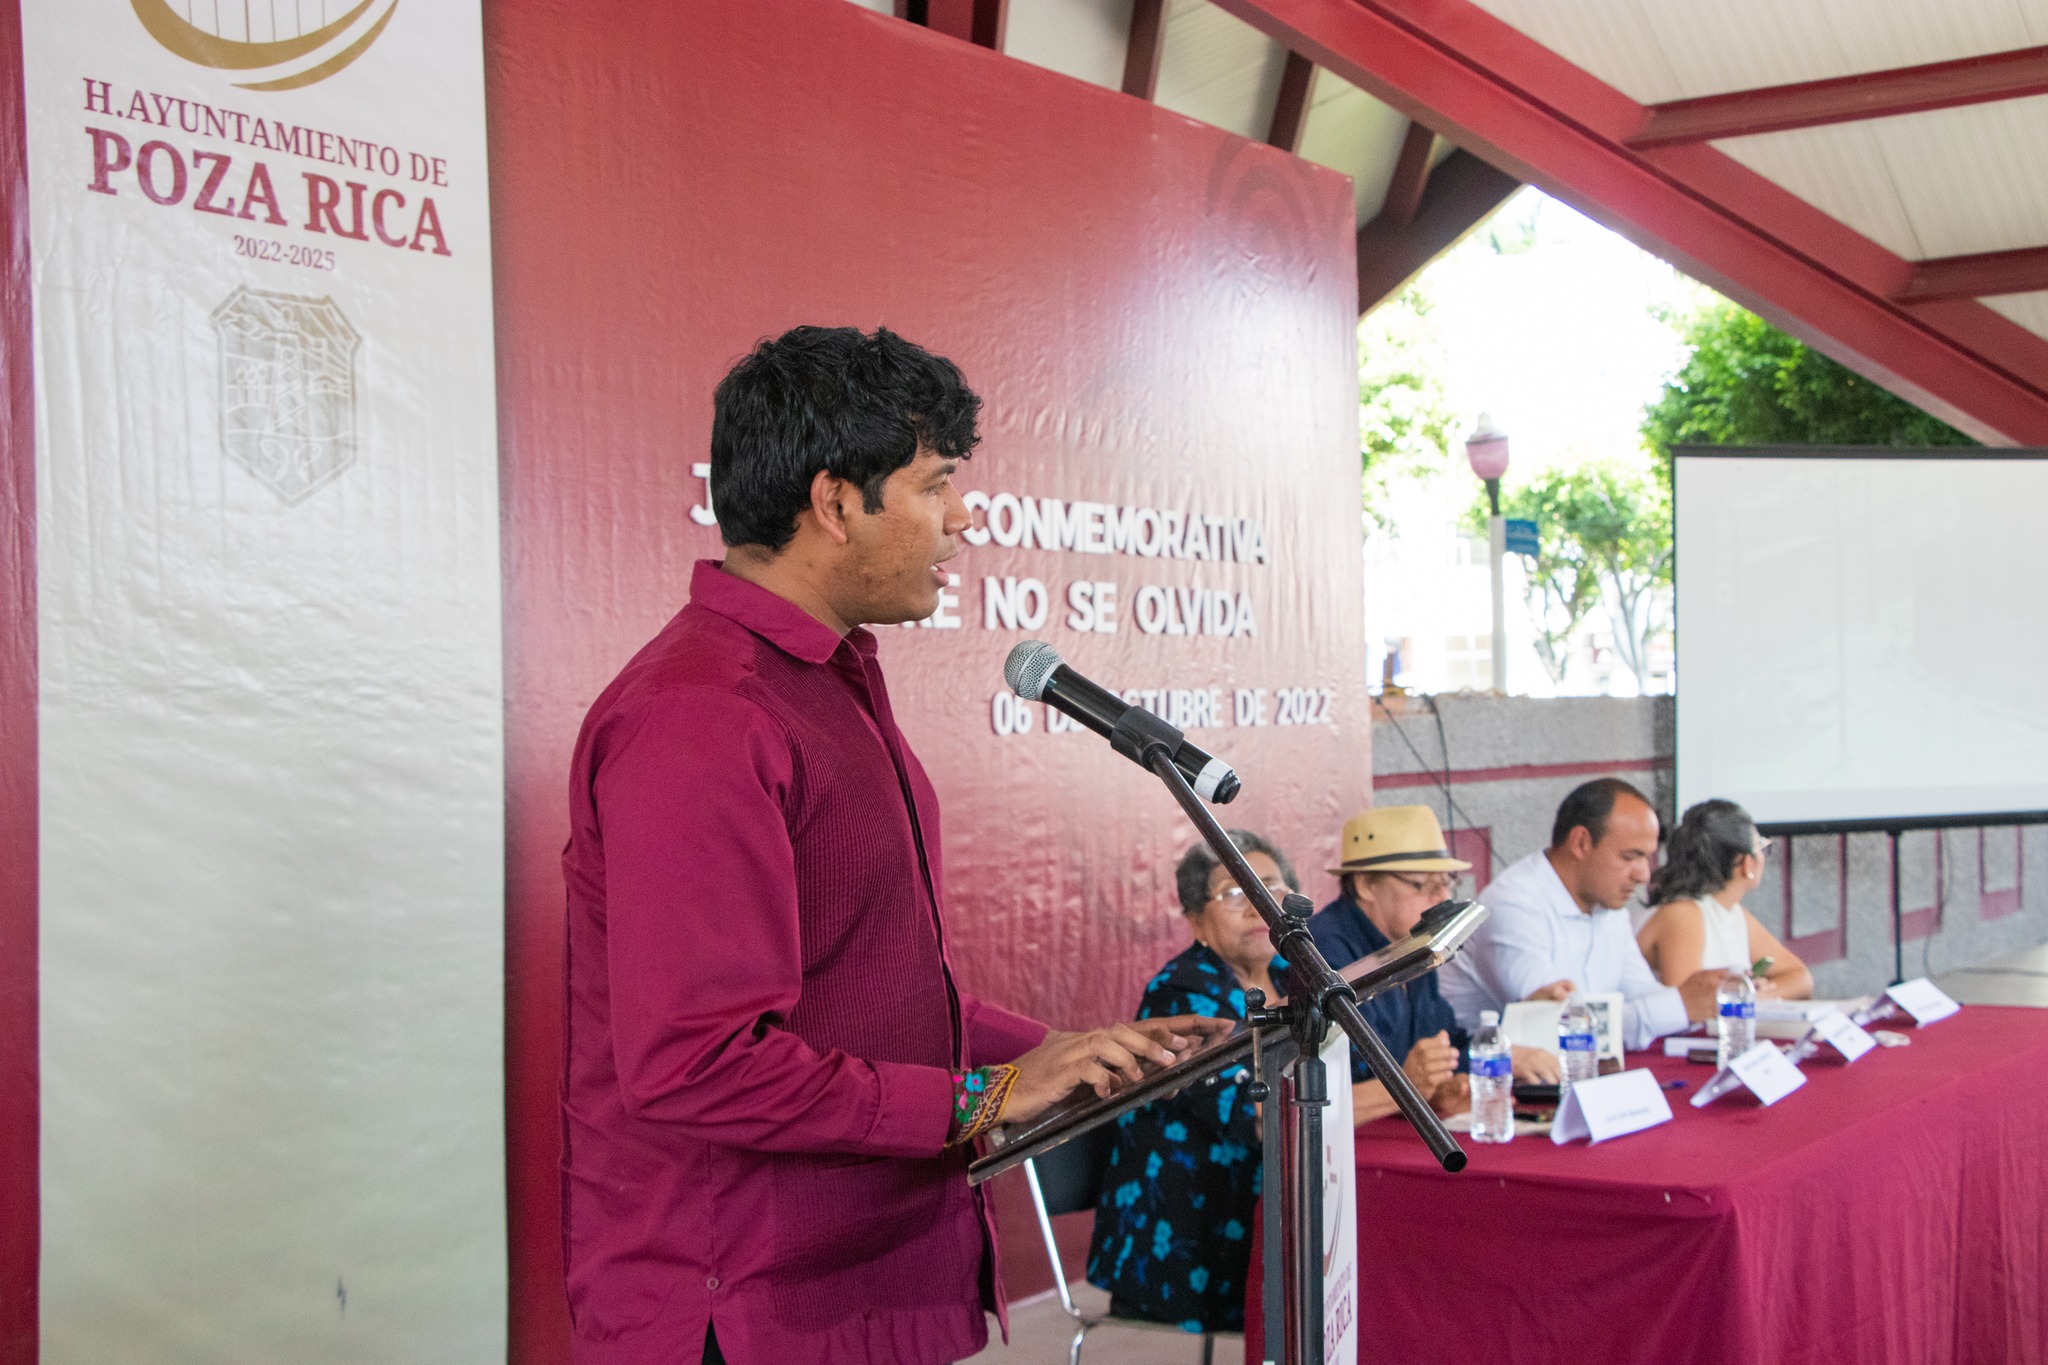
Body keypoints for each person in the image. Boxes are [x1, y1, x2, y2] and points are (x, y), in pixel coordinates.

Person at [559, 326, 1229, 1365]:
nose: (962, 520)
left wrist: (1043, 1055)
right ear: (834, 503)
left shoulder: (822, 680)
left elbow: (860, 992)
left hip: (865, 1282)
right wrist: (981, 1097)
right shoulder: (700, 717)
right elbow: (694, 1066)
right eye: (934, 485)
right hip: (747, 1309)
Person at [1086, 831, 1295, 1335]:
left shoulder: (1296, 977)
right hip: (1190, 1238)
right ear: (1196, 920)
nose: (1256, 905)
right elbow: (1259, 1118)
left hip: (1262, 1212)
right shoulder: (1181, 995)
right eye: (1233, 893)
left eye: (1269, 885)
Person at [1306, 806, 1559, 1125]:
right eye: (1423, 884)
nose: (1441, 897)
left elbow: (1444, 1041)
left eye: (1447, 882)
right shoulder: (1325, 949)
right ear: (1366, 885)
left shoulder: (1415, 942)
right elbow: (1351, 1073)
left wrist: (1499, 1056)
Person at [1439, 778, 1730, 1051]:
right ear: (1581, 843)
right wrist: (1678, 1006)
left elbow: (1637, 989)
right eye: (1631, 857)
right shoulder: (1513, 906)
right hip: (1491, 1081)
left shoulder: (1608, 903)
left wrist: (1699, 997)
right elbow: (1563, 1025)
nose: (1643, 874)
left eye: (1648, 857)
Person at [1638, 799, 1813, 999]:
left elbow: (1800, 978)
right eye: (1761, 847)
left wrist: (1755, 995)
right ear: (1747, 863)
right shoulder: (1682, 915)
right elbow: (1690, 1006)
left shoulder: (1733, 914)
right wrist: (1745, 996)